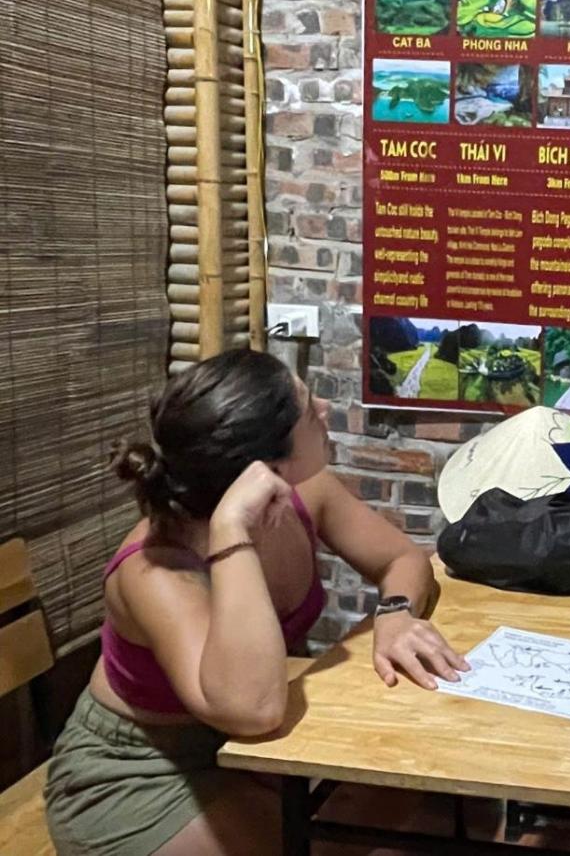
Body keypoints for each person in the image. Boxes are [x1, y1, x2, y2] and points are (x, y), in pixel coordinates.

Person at [44, 349, 469, 856]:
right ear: (266, 468)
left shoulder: (305, 491)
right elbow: (253, 709)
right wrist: (232, 530)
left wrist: (395, 613)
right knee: (325, 837)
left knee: (422, 791)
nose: (326, 410)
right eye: (308, 411)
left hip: (253, 749)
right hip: (144, 771)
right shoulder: (156, 571)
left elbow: (402, 558)